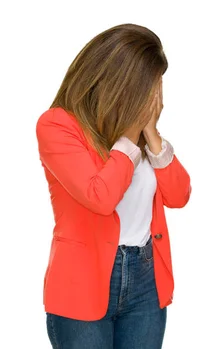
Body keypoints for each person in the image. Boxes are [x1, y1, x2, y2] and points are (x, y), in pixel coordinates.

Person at [36, 24, 191, 348]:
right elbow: (101, 197)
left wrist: (152, 137)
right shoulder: (57, 125)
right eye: (149, 84)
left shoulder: (142, 139)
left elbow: (179, 196)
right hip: (84, 282)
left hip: (146, 278)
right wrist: (132, 134)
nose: (155, 96)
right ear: (123, 82)